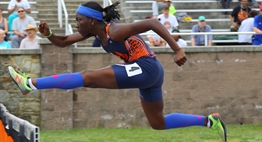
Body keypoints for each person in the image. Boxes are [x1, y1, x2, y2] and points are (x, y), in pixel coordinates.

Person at [7, 1, 227, 142]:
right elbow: (63, 42)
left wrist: (177, 49)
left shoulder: (115, 30)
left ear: (92, 20)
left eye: (78, 19)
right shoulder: (94, 32)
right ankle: (209, 121)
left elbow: (153, 23)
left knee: (89, 77)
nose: (76, 23)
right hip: (148, 75)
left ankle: (31, 84)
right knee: (158, 123)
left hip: (146, 67)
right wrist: (48, 34)